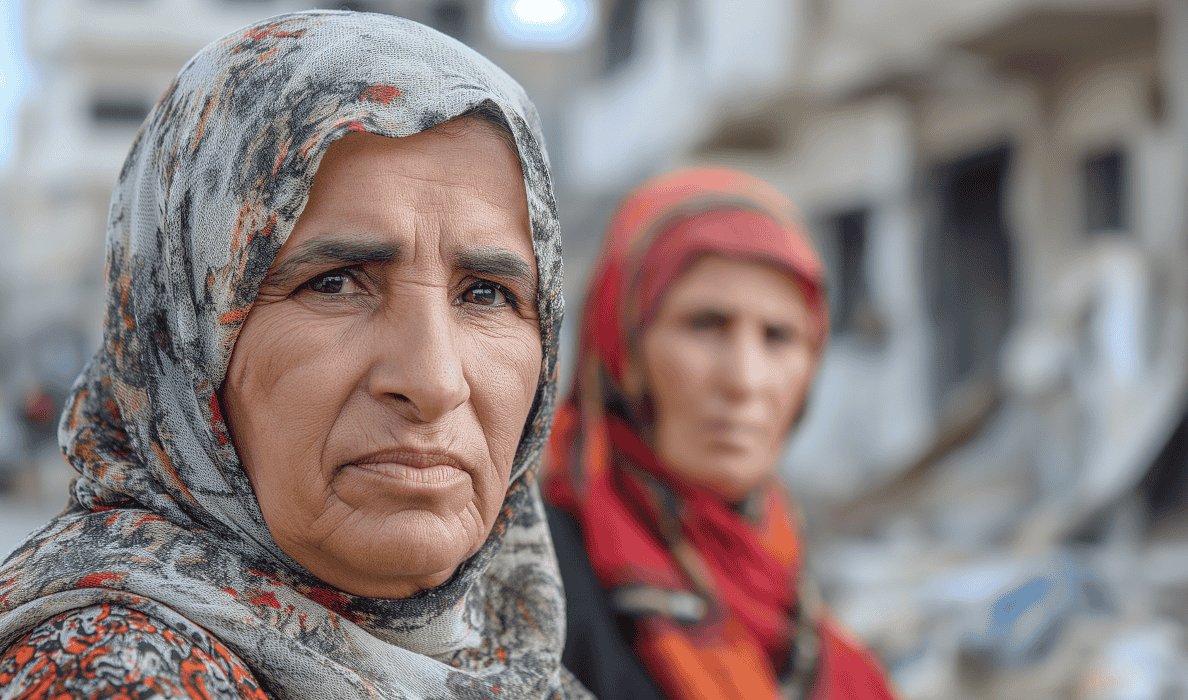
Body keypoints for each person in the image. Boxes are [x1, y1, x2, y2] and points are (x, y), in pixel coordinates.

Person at [0, 11, 590, 700]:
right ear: (183, 344)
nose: (433, 381)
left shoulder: (515, 659)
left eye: (486, 294)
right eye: (334, 283)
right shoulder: (115, 675)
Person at [544, 167, 899, 700]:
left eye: (778, 337)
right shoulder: (534, 574)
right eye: (705, 325)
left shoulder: (785, 580)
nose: (744, 380)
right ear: (624, 345)